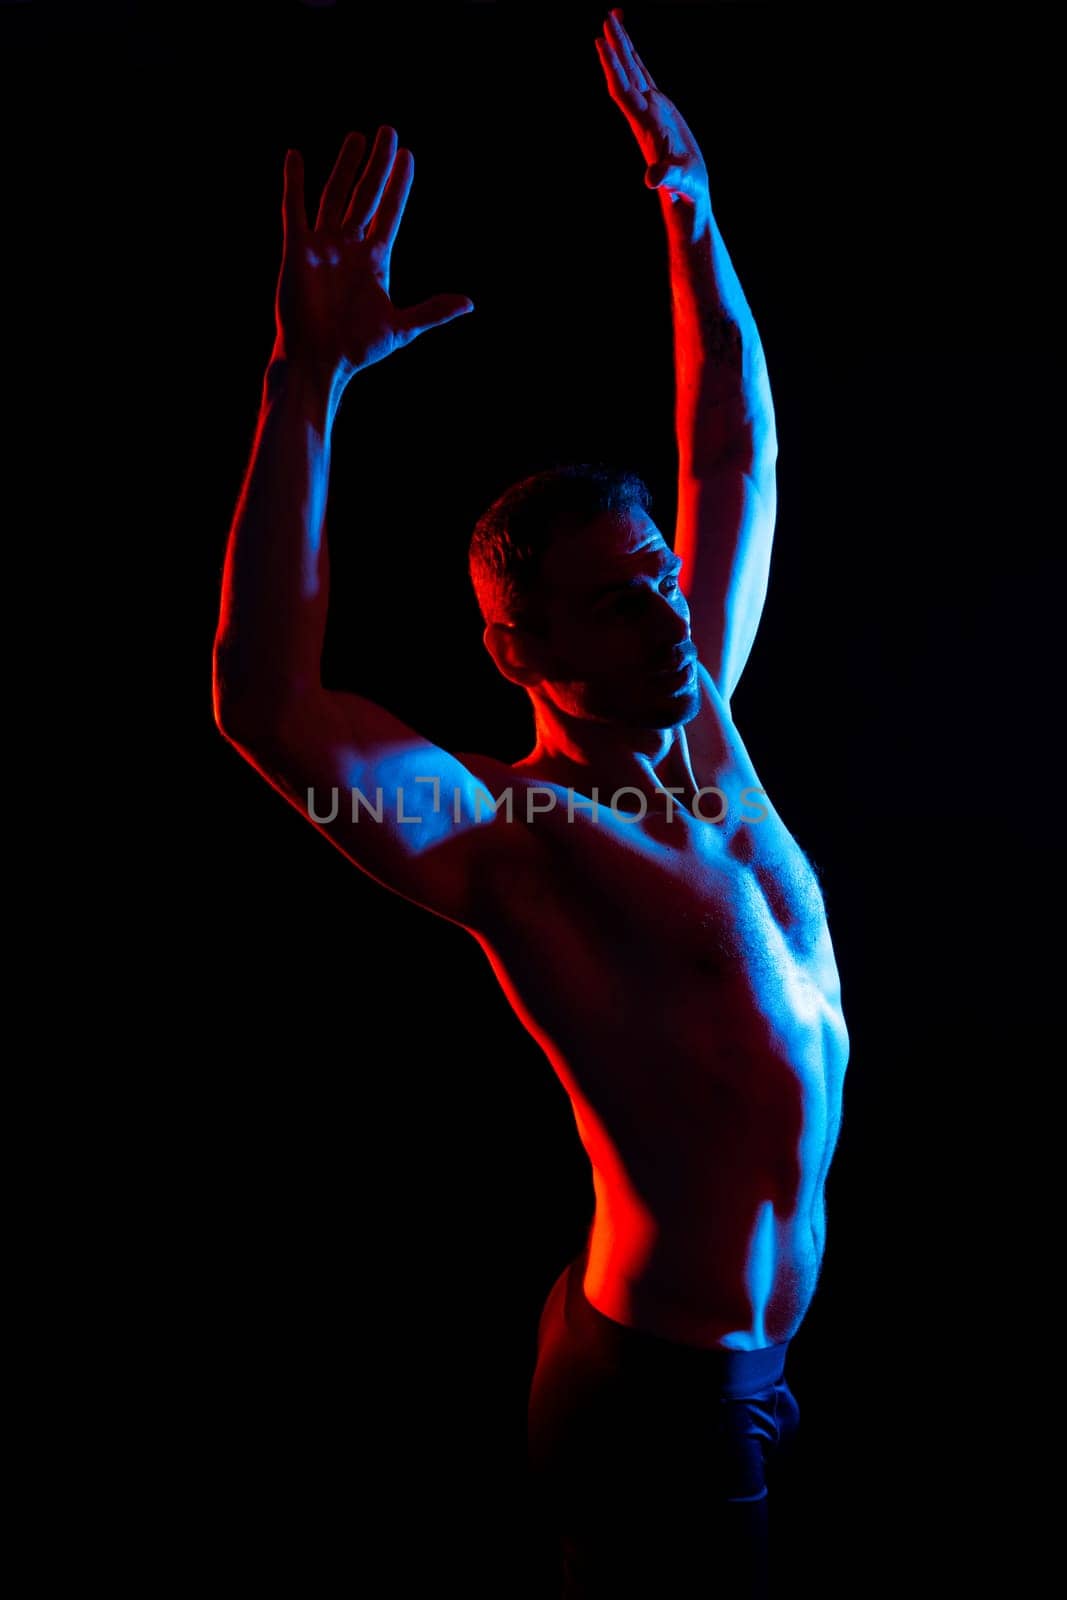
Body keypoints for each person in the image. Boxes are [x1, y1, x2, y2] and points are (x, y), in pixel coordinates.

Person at [212, 10, 849, 1596]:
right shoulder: (517, 840)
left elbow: (736, 445)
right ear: (521, 648)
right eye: (619, 607)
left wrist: (688, 205)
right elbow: (270, 709)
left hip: (746, 1370)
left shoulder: (709, 724)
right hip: (662, 1402)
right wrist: (306, 380)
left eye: (661, 582)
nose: (671, 617)